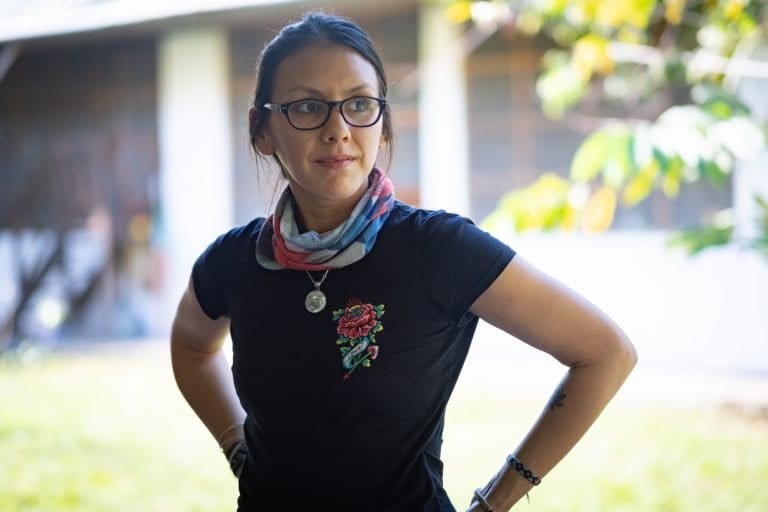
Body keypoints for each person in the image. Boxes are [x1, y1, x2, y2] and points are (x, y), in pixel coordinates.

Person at [170, 10, 637, 512]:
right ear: (262, 130)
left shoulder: (439, 250)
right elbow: (192, 347)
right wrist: (237, 447)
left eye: (359, 104)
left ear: (384, 126)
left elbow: (605, 353)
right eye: (307, 106)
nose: (338, 129)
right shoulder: (234, 261)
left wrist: (495, 500)